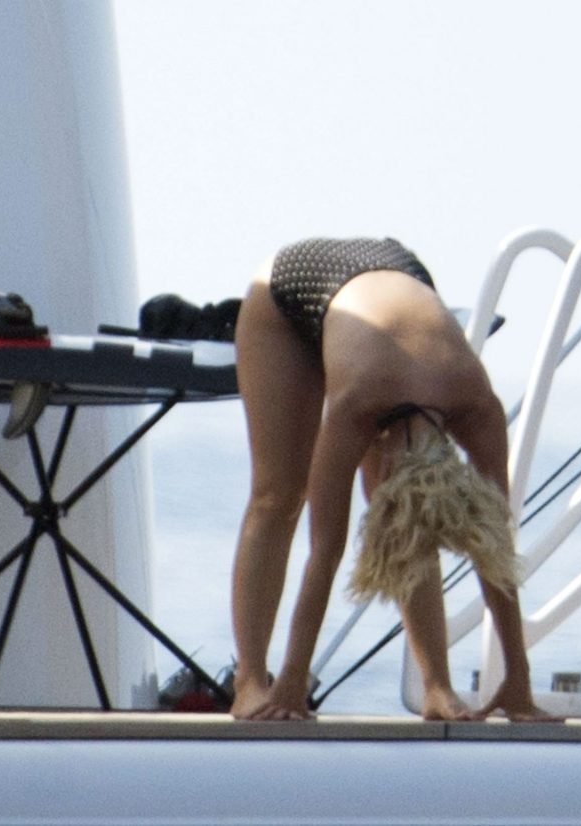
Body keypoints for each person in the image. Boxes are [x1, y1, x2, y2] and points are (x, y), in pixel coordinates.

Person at [230, 237, 554, 722]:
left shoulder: (479, 407)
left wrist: (519, 683)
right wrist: (291, 682)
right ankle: (250, 682)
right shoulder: (356, 406)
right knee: (279, 494)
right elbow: (325, 550)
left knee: (413, 521)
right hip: (293, 289)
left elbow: (496, 552)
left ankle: (436, 688)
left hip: (401, 281)